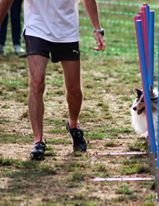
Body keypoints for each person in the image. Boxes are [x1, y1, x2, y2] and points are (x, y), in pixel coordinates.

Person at [23, 0, 105, 160]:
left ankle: (73, 125)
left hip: (67, 31)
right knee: (37, 83)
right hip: (36, 28)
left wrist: (97, 29)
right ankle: (38, 140)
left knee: (74, 89)